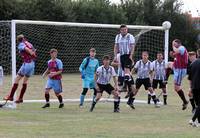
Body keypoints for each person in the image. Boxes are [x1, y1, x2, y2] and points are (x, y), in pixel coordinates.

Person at [4, 34, 36, 103]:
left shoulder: (21, 44)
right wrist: (32, 52)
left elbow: (26, 49)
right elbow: (34, 51)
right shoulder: (29, 43)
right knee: (25, 81)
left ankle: (11, 96)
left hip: (27, 64)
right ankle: (20, 98)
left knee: (17, 79)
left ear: (18, 41)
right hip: (32, 64)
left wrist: (29, 52)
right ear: (24, 38)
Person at [114, 24, 135, 101]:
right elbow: (116, 46)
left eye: (125, 29)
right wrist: (115, 56)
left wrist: (131, 56)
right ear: (120, 30)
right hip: (122, 56)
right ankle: (130, 89)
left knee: (126, 72)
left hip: (128, 55)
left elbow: (132, 46)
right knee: (128, 74)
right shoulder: (118, 37)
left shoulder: (130, 36)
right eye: (122, 30)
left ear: (127, 30)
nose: (124, 31)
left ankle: (124, 87)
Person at [170, 39, 188, 110]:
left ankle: (185, 101)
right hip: (177, 69)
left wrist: (172, 45)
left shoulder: (182, 47)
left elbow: (176, 51)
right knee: (176, 87)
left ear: (178, 43)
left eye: (175, 44)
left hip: (181, 70)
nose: (173, 46)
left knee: (176, 87)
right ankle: (185, 101)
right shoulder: (178, 50)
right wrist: (172, 55)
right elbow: (175, 56)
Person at [188, 49, 200, 127]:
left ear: (198, 54)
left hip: (194, 87)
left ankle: (199, 122)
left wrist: (190, 88)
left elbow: (190, 78)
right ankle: (193, 119)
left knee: (198, 105)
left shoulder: (193, 63)